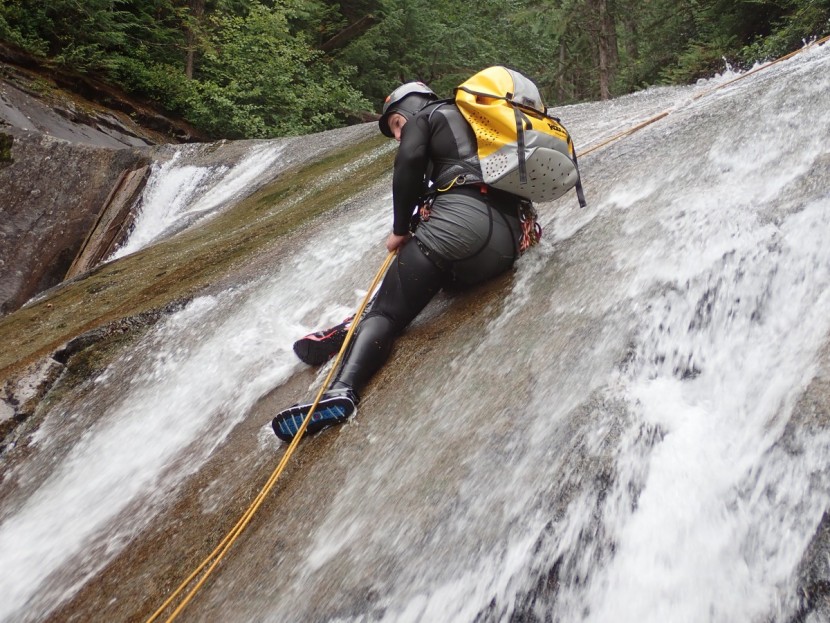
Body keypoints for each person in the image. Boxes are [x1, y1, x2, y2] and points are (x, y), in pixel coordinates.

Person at [272, 81, 528, 442]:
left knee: (387, 315)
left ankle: (341, 390)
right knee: (426, 282)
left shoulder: (430, 113)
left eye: (395, 124)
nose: (397, 135)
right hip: (506, 243)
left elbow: (407, 162)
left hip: (458, 224)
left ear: (411, 105)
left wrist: (399, 229)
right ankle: (355, 325)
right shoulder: (482, 122)